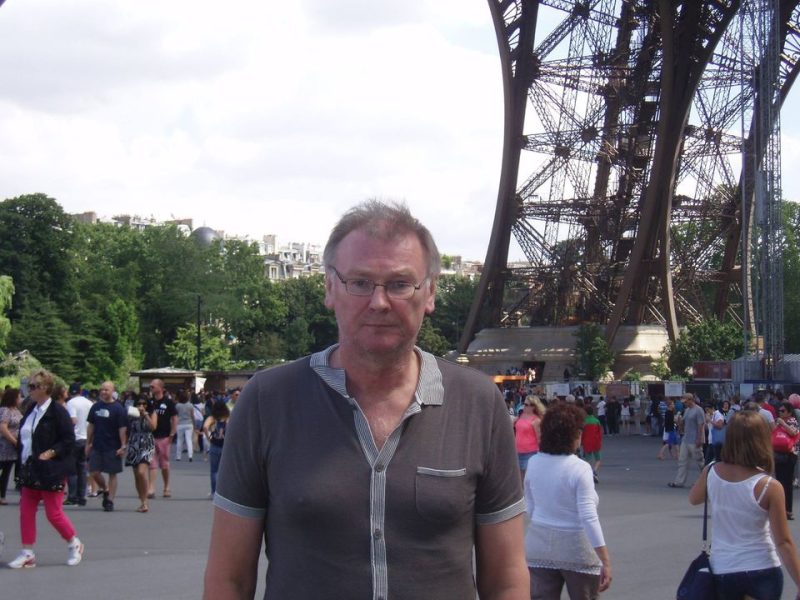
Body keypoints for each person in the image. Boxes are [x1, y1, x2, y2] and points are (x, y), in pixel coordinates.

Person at [203, 200, 528, 599]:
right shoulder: (266, 400)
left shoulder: (479, 403)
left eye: (399, 284)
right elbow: (228, 579)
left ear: (430, 293)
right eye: (359, 282)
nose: (379, 302)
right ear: (329, 288)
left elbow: (507, 579)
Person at [688, 410, 800, 600]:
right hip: (762, 567)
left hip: (723, 568)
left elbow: (694, 499)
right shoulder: (769, 486)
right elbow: (783, 542)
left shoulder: (711, 471)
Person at [524, 403, 612, 599]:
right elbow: (588, 517)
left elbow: (530, 506)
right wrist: (604, 560)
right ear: (575, 435)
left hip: (539, 544)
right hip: (575, 546)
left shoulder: (533, 462)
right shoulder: (580, 468)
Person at [7, 369, 83, 568]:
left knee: (53, 513)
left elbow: (68, 440)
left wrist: (51, 452)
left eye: (34, 386)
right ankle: (27, 552)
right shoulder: (31, 409)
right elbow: (25, 436)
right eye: (29, 386)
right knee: (26, 510)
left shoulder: (58, 412)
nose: (29, 390)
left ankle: (74, 542)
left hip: (51, 469)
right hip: (30, 467)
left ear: (46, 388)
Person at [86, 381, 128, 512]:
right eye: (102, 389)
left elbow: (122, 428)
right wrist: (88, 443)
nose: (103, 392)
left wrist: (123, 445)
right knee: (94, 472)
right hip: (97, 445)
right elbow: (91, 425)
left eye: (106, 390)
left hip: (113, 446)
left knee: (112, 474)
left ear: (112, 391)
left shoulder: (118, 408)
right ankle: (105, 489)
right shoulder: (95, 407)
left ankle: (110, 500)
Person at [125, 395, 157, 513]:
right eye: (139, 404)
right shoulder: (132, 414)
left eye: (144, 404)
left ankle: (145, 502)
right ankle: (142, 500)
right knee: (136, 476)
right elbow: (126, 428)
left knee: (141, 472)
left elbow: (153, 427)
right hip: (134, 444)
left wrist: (146, 415)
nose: (141, 406)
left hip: (147, 444)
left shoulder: (152, 413)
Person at [147, 379, 177, 499]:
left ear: (160, 388)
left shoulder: (168, 402)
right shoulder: (150, 402)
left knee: (164, 463)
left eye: (153, 386)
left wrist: (172, 433)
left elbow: (174, 418)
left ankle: (166, 486)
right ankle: (151, 488)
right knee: (152, 463)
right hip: (151, 436)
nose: (151, 388)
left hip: (164, 436)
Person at [668, 393, 705, 488]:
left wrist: (699, 438)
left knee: (700, 461)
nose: (684, 403)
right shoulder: (687, 410)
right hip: (686, 438)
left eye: (685, 402)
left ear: (691, 400)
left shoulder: (698, 410)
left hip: (695, 439)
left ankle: (705, 481)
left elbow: (700, 425)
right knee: (682, 461)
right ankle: (679, 481)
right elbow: (683, 423)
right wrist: (679, 421)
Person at [65, 383, 92, 506]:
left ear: (70, 392)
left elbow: (73, 420)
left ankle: (72, 496)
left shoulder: (71, 403)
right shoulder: (89, 403)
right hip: (86, 438)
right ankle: (82, 496)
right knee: (82, 469)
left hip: (75, 438)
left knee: (72, 469)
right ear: (81, 391)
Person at [773, 401, 799, 520]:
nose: (780, 413)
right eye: (779, 411)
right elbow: (771, 432)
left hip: (789, 455)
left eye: (783, 411)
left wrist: (783, 423)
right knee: (779, 482)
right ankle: (780, 509)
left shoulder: (792, 421)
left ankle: (788, 510)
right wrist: (776, 424)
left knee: (787, 483)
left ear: (789, 412)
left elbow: (793, 432)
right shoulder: (777, 422)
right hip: (778, 454)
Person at [0, 387, 23, 505]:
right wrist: (14, 441)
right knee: (3, 468)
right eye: (19, 397)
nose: (21, 399)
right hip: (4, 445)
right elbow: (3, 428)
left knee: (6, 472)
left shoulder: (16, 411)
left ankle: (2, 496)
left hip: (12, 447)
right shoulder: (5, 410)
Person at [202, 400, 229, 496]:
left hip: (215, 444)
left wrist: (208, 437)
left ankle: (214, 492)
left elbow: (205, 427)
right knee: (225, 470)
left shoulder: (212, 418)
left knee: (214, 470)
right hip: (226, 446)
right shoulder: (228, 418)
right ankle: (224, 492)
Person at [514, 394, 544, 478]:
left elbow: (539, 439)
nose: (524, 406)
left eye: (527, 404)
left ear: (533, 407)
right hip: (517, 452)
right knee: (519, 479)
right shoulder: (521, 416)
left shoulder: (536, 420)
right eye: (524, 404)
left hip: (530, 453)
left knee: (527, 478)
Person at [582, 404, 603, 484]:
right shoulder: (596, 421)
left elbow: (582, 433)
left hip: (587, 442)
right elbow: (599, 433)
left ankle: (589, 472)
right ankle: (594, 471)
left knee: (587, 459)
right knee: (598, 459)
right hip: (596, 441)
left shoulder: (584, 422)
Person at [174, 389, 194, 462]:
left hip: (180, 424)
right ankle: (190, 456)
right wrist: (194, 424)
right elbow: (192, 416)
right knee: (189, 440)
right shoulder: (190, 405)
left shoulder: (177, 405)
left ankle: (178, 456)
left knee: (179, 440)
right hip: (189, 423)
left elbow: (176, 415)